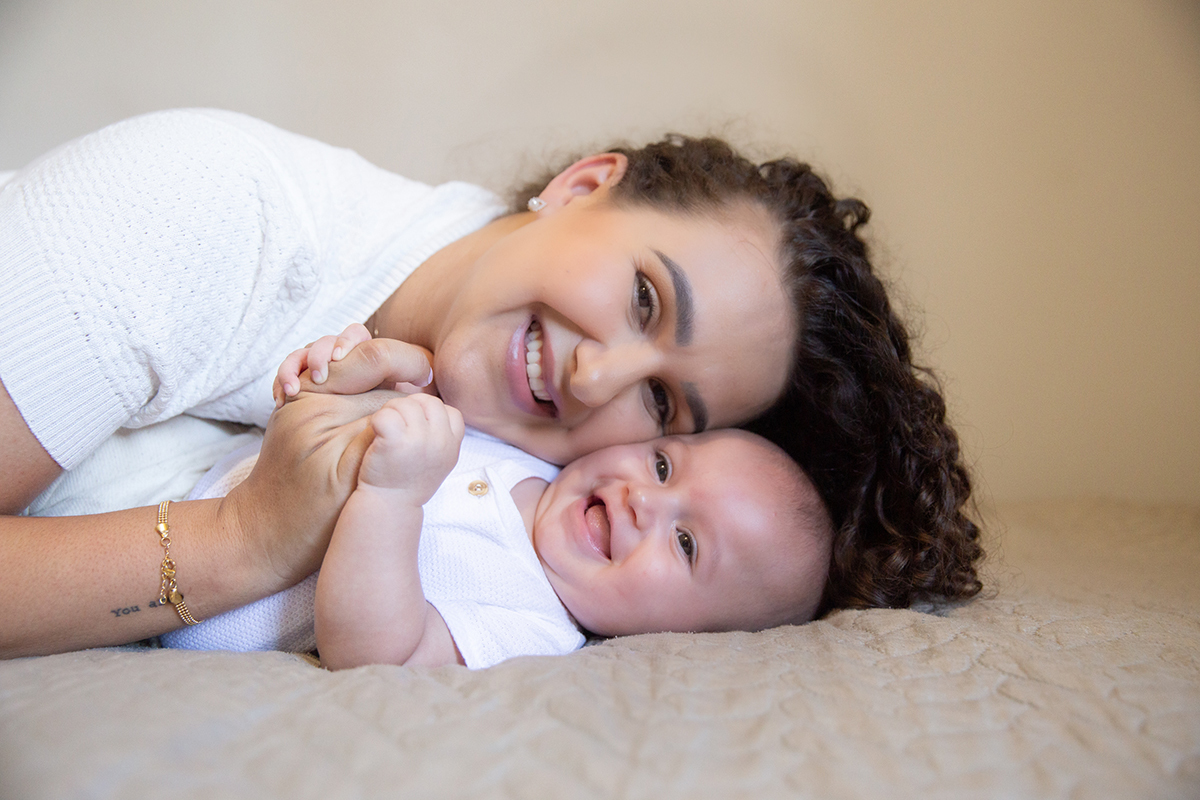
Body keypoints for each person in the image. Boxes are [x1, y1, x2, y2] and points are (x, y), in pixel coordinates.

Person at [0, 108, 981, 658]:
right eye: (644, 297)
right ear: (581, 184)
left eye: (665, 404)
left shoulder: (525, 470)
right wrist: (243, 538)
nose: (598, 375)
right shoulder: (203, 210)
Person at [161, 390, 832, 670]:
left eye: (687, 544)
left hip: (183, 590)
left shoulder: (536, 628)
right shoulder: (532, 451)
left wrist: (391, 499)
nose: (642, 502)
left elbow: (377, 655)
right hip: (186, 460)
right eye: (663, 464)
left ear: (686, 639)